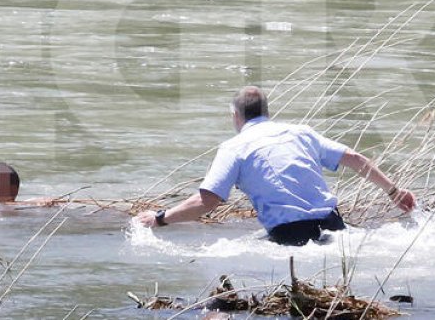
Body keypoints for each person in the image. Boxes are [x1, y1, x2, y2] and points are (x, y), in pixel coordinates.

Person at [136, 86, 417, 246]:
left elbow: (206, 201)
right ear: (268, 112)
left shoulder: (233, 148)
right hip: (335, 227)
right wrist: (394, 192)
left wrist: (160, 218)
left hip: (290, 237)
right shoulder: (300, 132)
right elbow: (355, 159)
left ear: (235, 116)